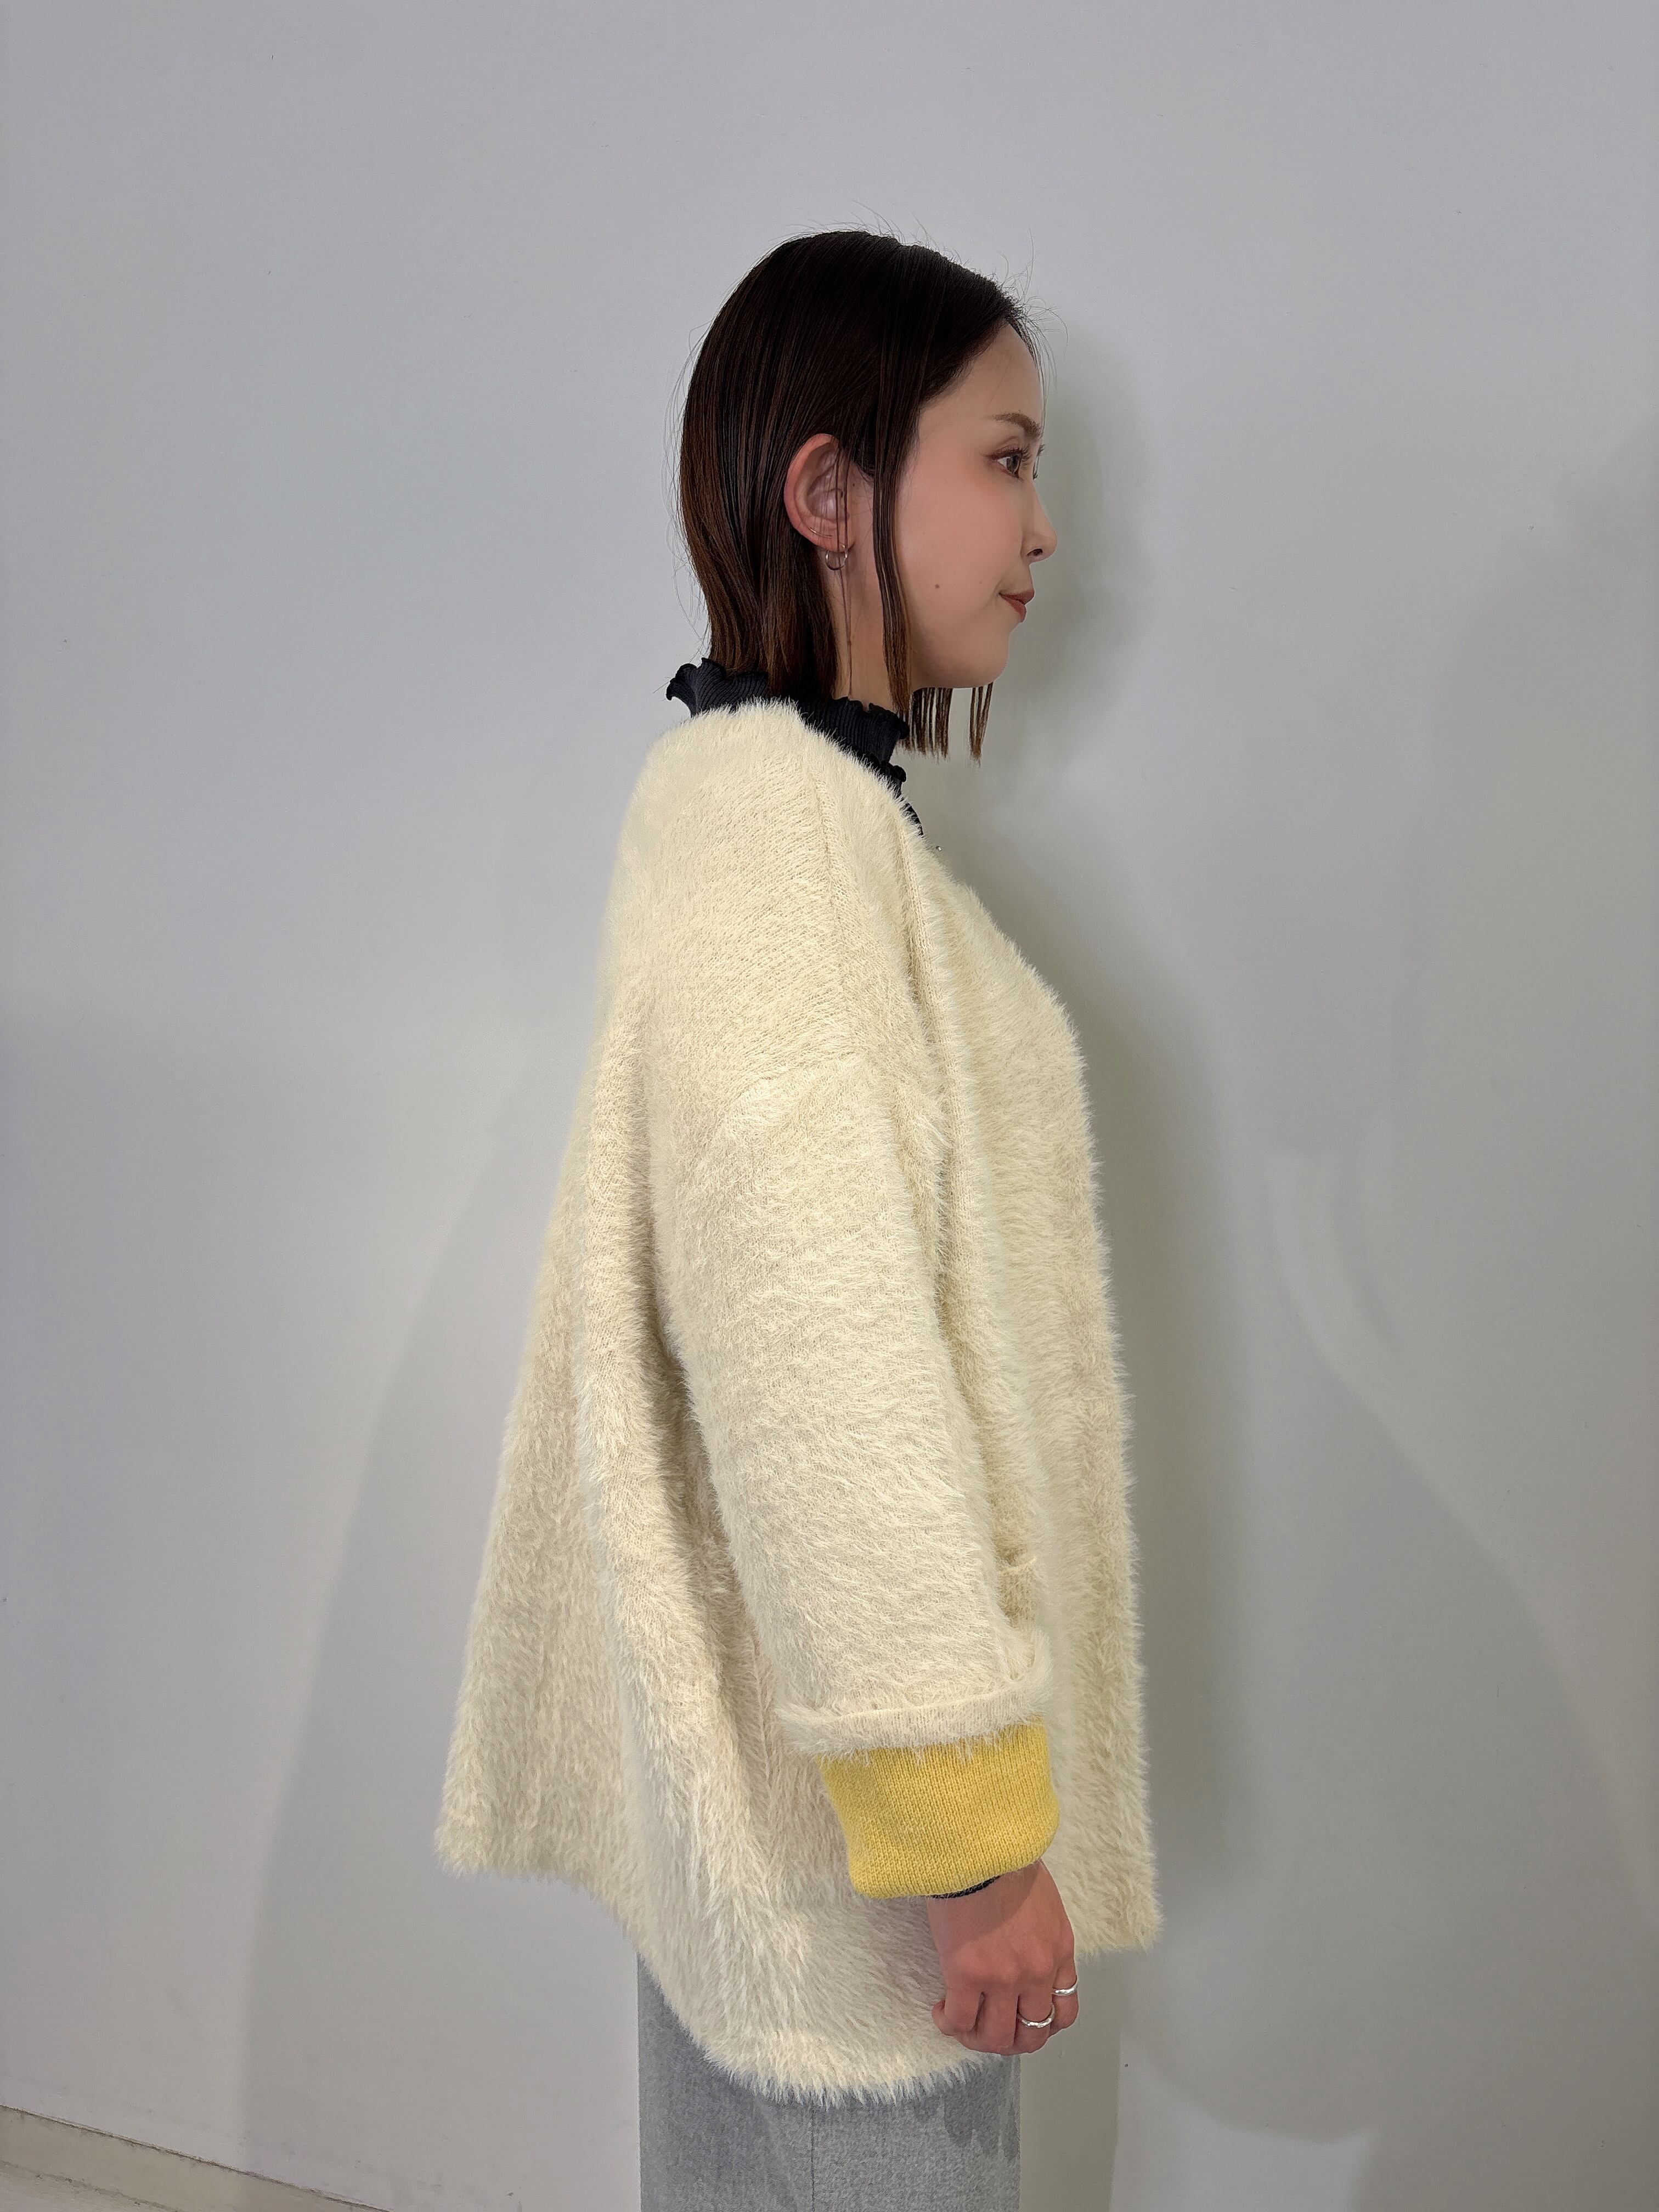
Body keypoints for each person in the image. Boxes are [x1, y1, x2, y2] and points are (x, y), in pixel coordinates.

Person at [435, 228, 1161, 2210]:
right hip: (864, 1861)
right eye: (1004, 459)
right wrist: (968, 1841)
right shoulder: (772, 836)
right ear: (830, 491)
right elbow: (820, 1372)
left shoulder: (811, 827)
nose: (1046, 528)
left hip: (812, 1826)